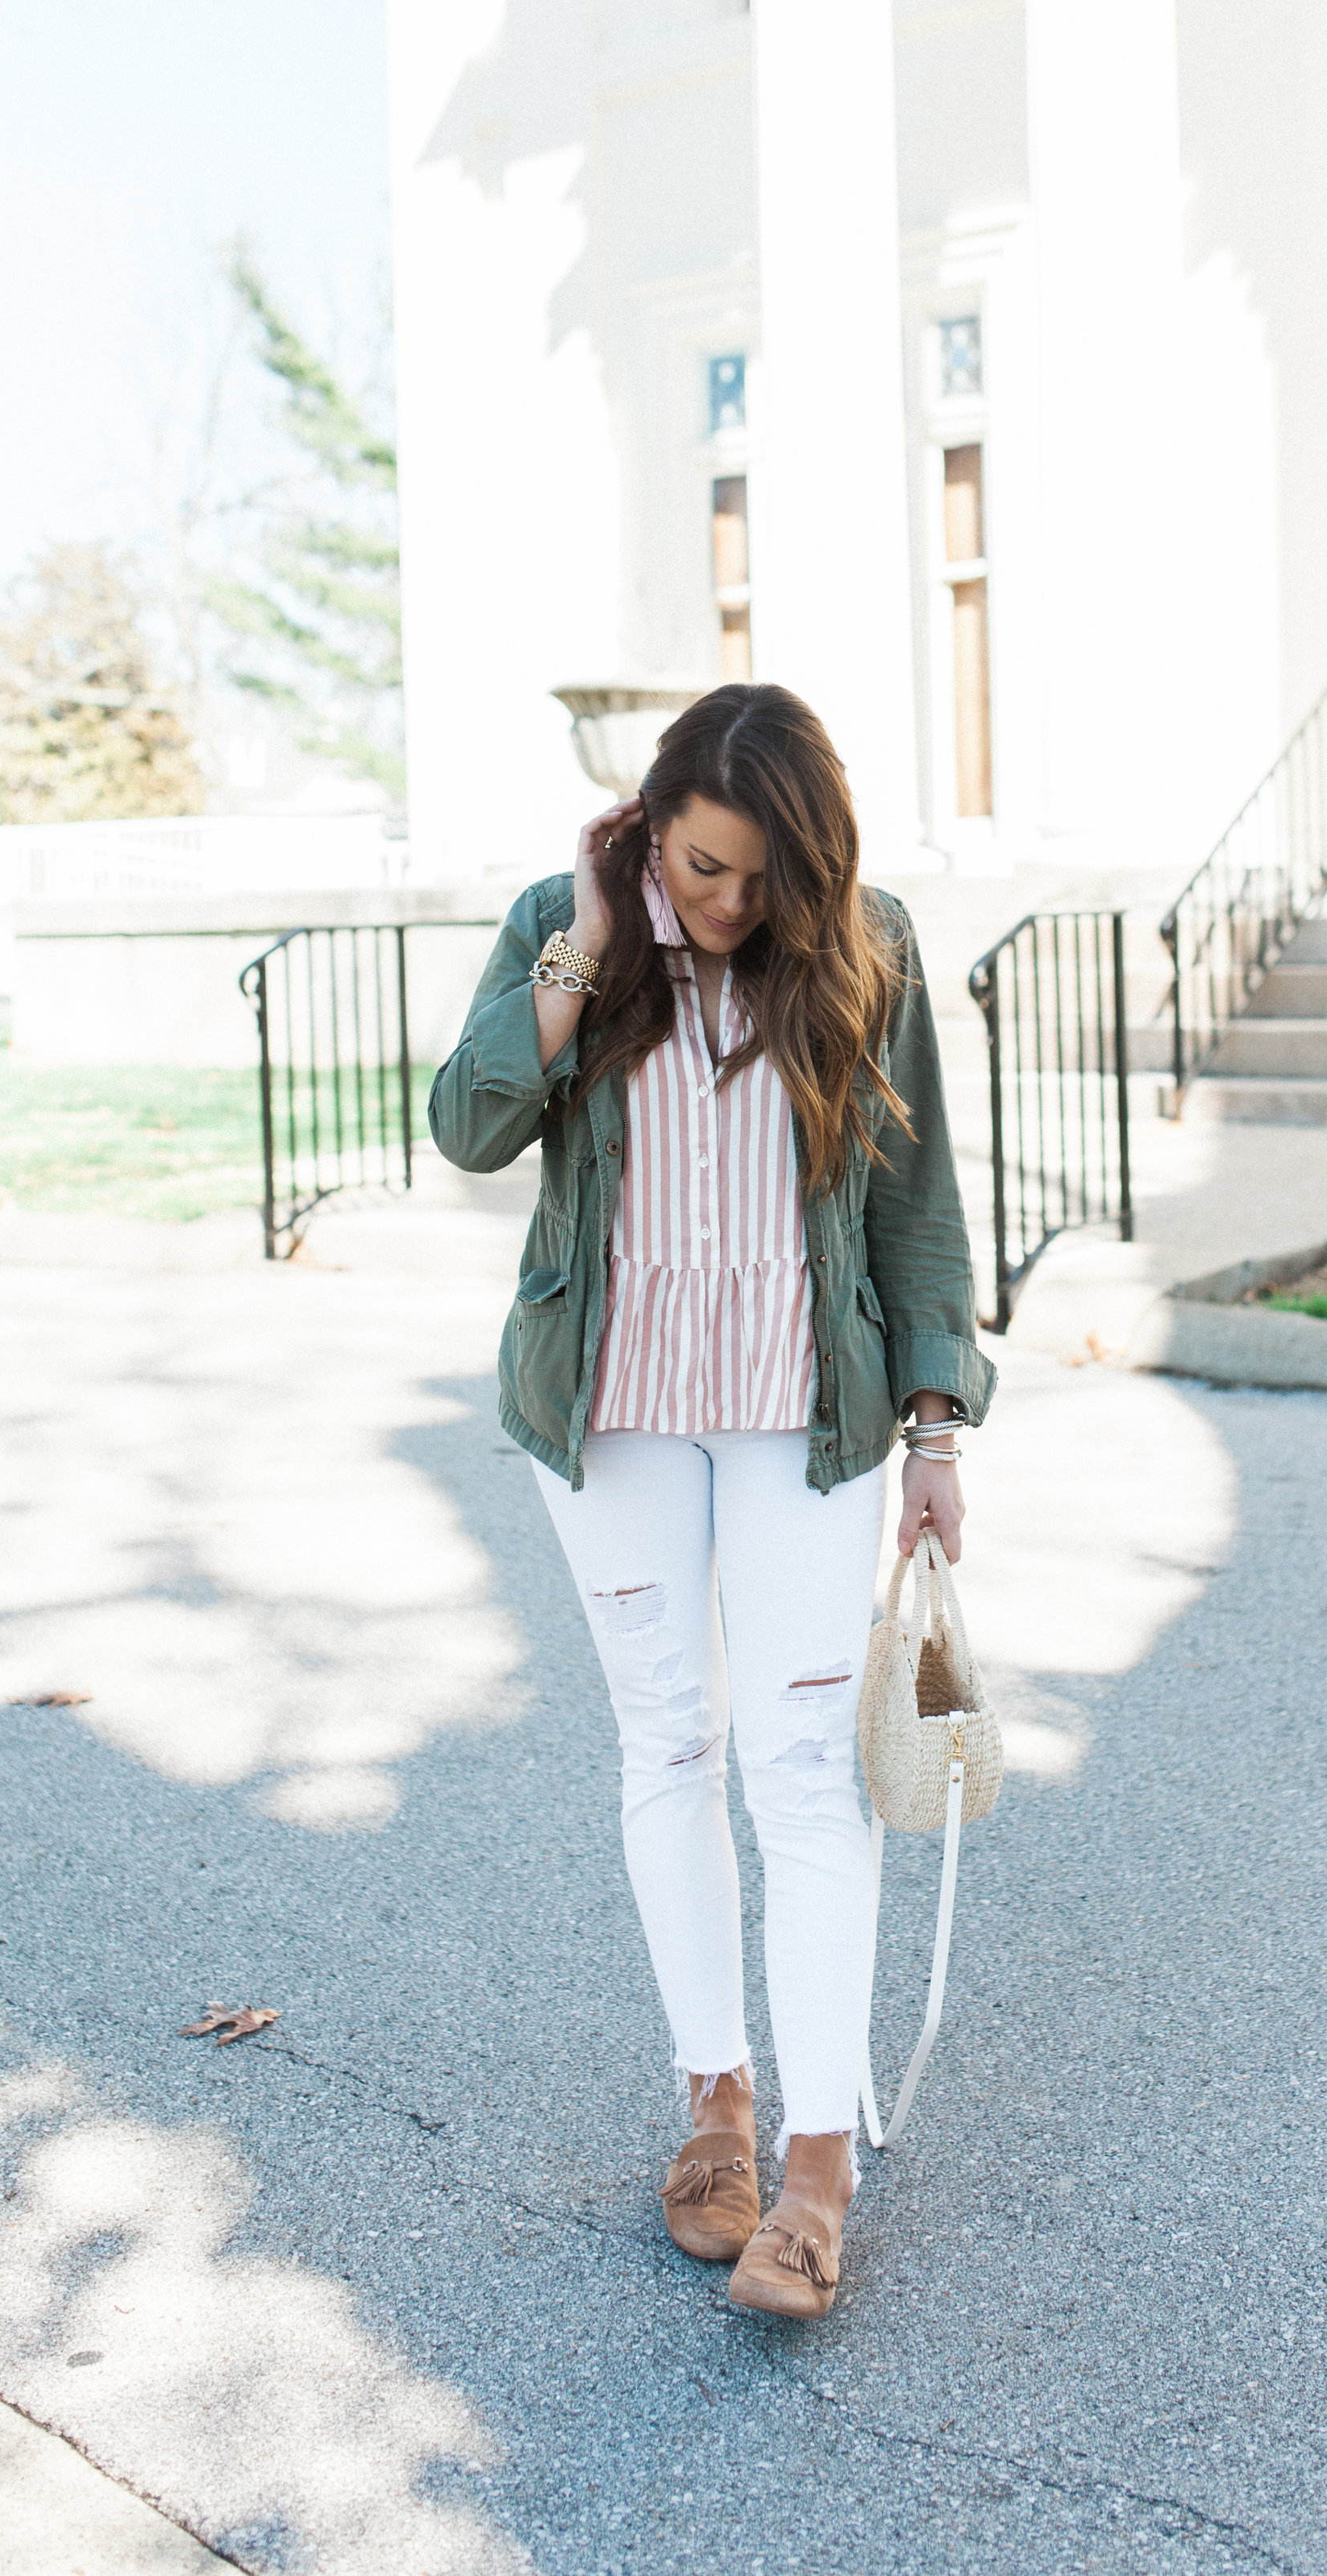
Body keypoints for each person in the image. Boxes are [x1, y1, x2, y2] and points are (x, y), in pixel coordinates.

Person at [429, 682, 992, 2323]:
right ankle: (715, 2101)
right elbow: (469, 1123)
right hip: (611, 1411)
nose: (722, 900)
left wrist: (939, 1425)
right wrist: (590, 937)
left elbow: (915, 1200)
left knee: (803, 1765)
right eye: (695, 860)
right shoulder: (569, 924)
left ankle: (817, 2161)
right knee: (665, 1738)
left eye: (755, 876)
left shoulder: (858, 945)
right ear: (650, 817)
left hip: (799, 1412)